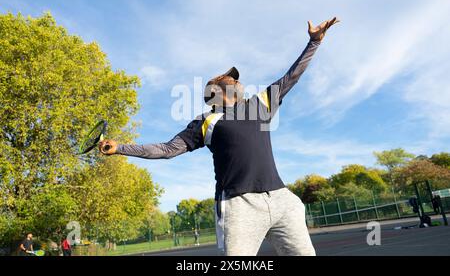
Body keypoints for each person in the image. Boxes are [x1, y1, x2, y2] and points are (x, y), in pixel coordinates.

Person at [99, 18, 339, 256]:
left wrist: (314, 42)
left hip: (281, 199)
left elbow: (292, 76)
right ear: (215, 92)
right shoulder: (206, 121)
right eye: (231, 79)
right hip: (239, 205)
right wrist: (121, 147)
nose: (237, 80)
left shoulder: (259, 104)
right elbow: (166, 149)